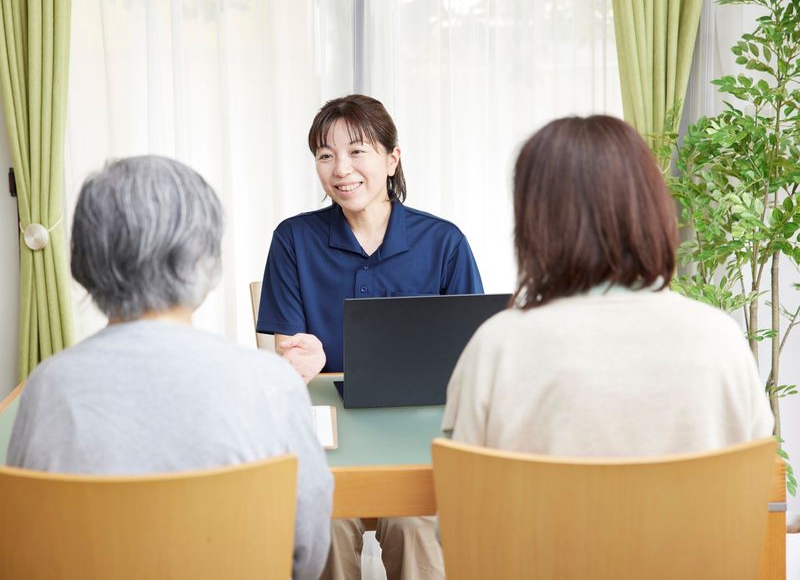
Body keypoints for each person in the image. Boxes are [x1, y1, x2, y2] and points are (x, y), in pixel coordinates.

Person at [7, 155, 333, 580]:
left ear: (85, 261)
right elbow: (307, 553)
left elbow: (23, 542)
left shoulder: (48, 385)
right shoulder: (272, 383)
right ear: (205, 259)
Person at [443, 115, 774, 456]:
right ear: (652, 209)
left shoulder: (498, 347)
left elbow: (463, 493)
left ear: (534, 223)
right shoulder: (719, 339)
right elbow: (756, 479)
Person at [258, 94, 483, 580]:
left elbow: (471, 358)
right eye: (325, 155)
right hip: (326, 441)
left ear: (391, 158)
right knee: (324, 528)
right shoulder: (292, 240)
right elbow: (287, 357)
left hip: (417, 439)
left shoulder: (444, 242)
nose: (341, 169)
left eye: (357, 151)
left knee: (417, 525)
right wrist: (298, 359)